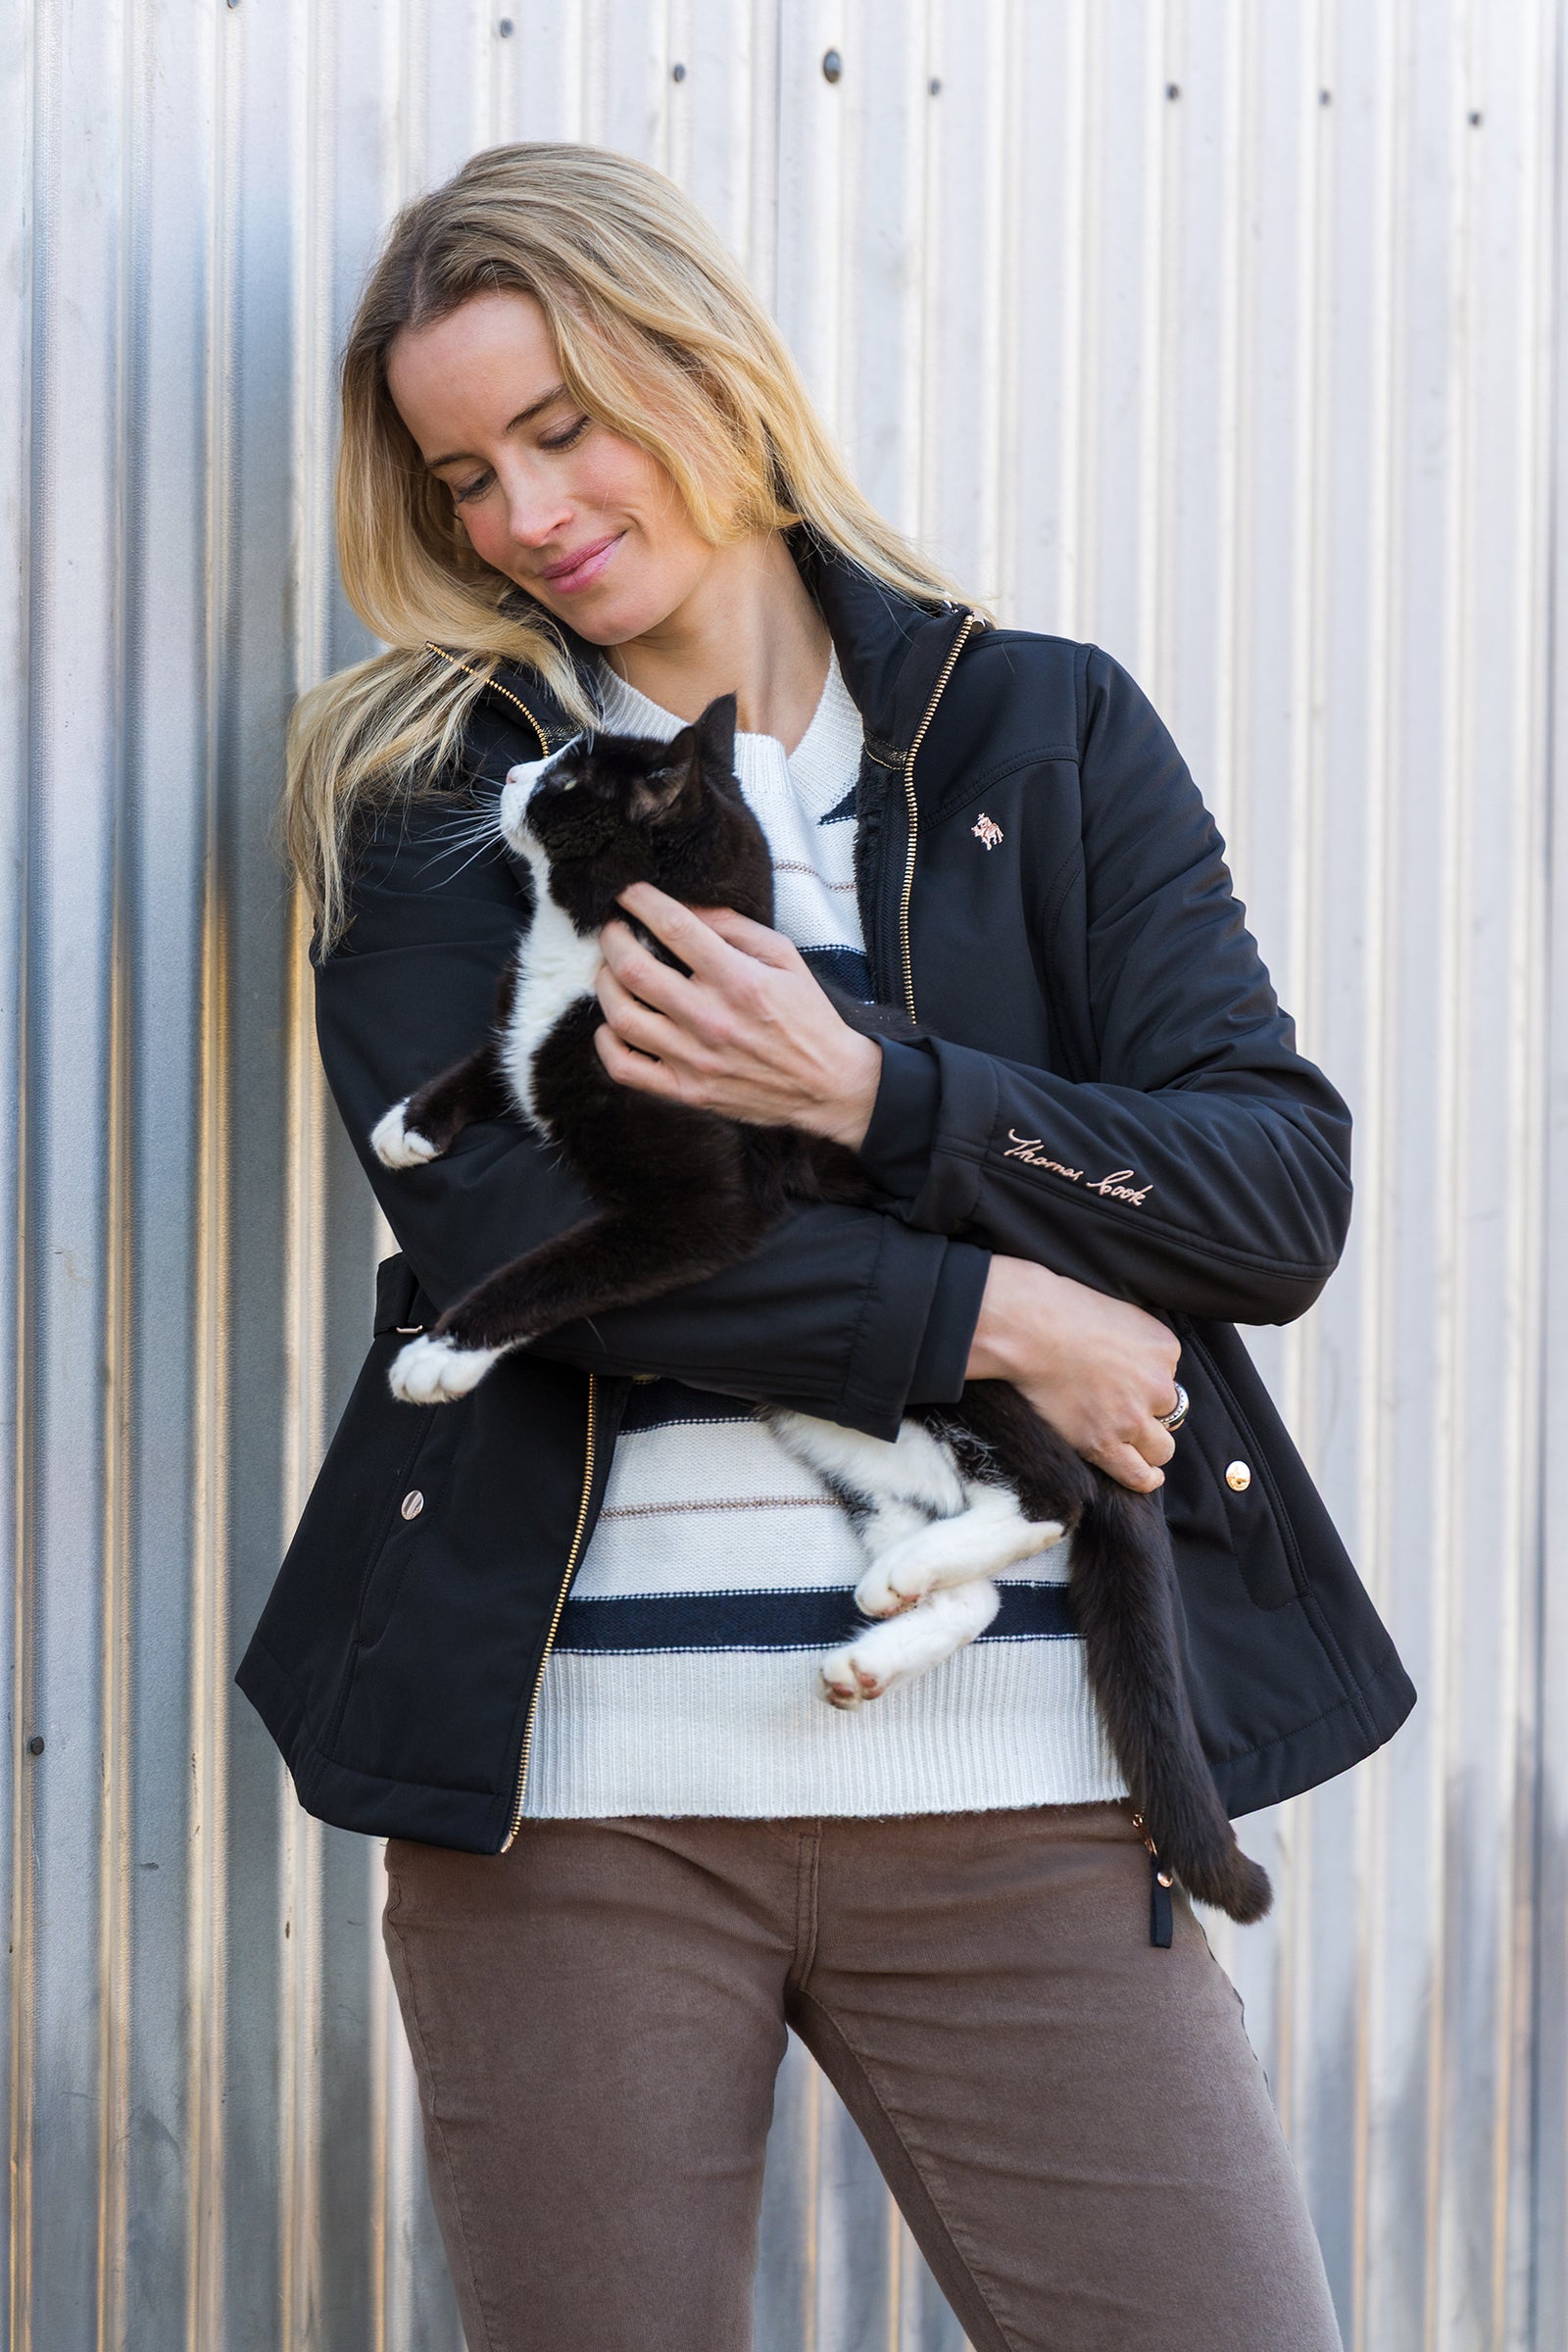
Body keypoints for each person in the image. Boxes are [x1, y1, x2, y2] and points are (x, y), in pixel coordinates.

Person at [236, 142, 1413, 2352]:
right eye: (464, 469)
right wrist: (998, 1311)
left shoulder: (1034, 733)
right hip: (572, 1809)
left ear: (708, 368)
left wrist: (871, 1095)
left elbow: (1267, 1189)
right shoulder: (431, 789)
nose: (520, 515)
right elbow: (513, 1224)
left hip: (1030, 1790)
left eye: (563, 426)